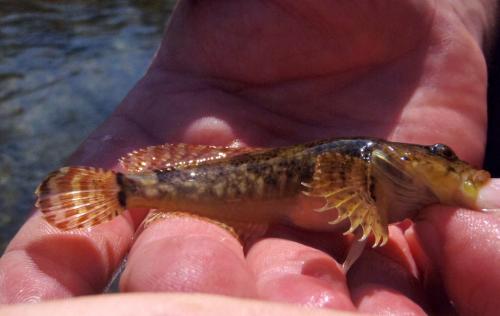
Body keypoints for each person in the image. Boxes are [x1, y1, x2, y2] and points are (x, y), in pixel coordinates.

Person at [1, 1, 499, 315]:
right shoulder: (365, 163)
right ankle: (122, 193)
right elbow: (338, 183)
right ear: (405, 159)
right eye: (439, 157)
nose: (447, 165)